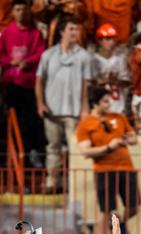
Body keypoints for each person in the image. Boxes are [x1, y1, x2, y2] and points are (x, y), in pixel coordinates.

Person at [35, 15, 91, 192]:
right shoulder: (48, 54)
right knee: (53, 148)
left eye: (77, 29)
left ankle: (75, 185)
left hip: (73, 112)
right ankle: (52, 182)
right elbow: (39, 81)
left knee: (75, 148)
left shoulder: (83, 56)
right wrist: (40, 103)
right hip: (51, 110)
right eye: (71, 29)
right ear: (62, 32)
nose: (75, 33)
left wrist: (84, 108)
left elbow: (85, 84)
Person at [76, 87, 139, 234]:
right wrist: (109, 147)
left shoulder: (119, 117)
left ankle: (122, 223)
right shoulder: (86, 124)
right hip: (103, 170)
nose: (108, 104)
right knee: (106, 209)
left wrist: (123, 140)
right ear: (94, 104)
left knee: (134, 206)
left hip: (126, 167)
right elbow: (85, 151)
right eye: (105, 101)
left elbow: (134, 138)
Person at [0, 0, 46, 168]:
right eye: (17, 9)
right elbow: (0, 55)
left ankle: (32, 152)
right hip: (12, 84)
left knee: (31, 121)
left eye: (24, 9)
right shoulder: (6, 33)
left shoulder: (36, 33)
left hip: (30, 84)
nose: (21, 13)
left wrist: (27, 62)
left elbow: (41, 53)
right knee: (12, 120)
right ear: (12, 12)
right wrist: (12, 61)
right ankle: (13, 154)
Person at [91, 23, 130, 114]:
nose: (111, 42)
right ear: (100, 41)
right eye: (108, 39)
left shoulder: (120, 59)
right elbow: (89, 83)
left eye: (113, 39)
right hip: (99, 105)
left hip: (118, 104)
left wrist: (114, 81)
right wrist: (100, 81)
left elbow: (127, 82)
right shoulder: (93, 60)